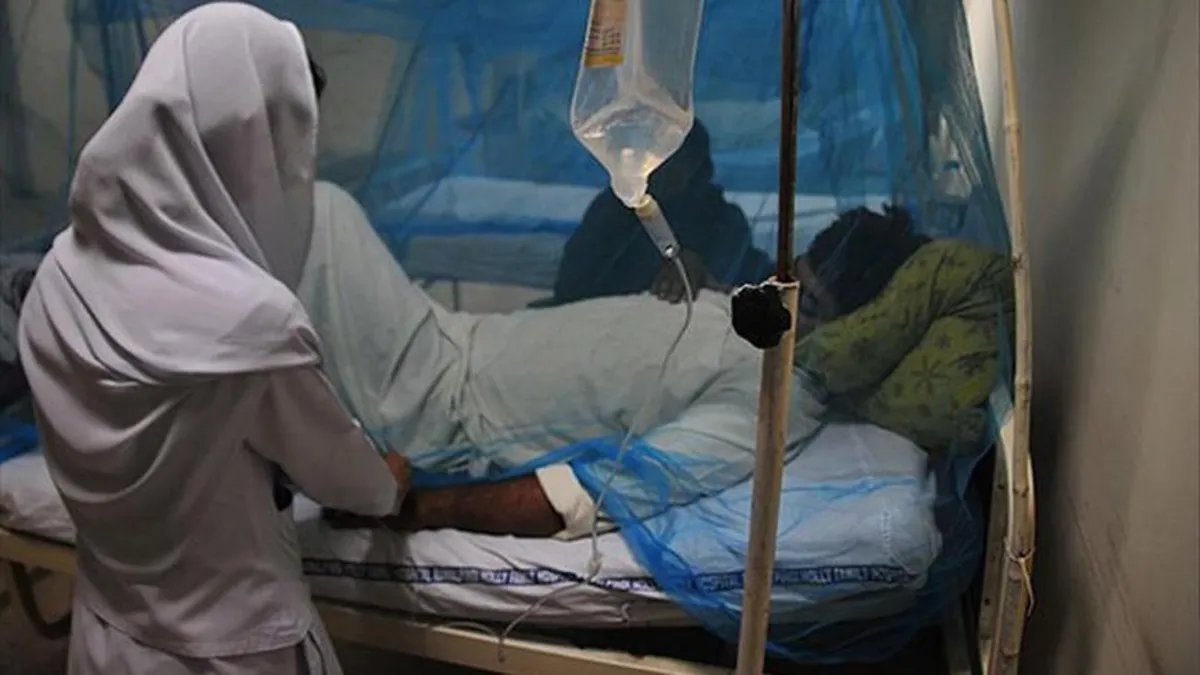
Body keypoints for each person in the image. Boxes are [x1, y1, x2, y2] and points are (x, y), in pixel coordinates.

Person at [18, 5, 410, 673]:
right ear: (244, 149)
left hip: (106, 632)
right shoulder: (253, 324)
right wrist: (390, 482)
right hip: (235, 650)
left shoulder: (56, 276)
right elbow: (348, 481)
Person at [316, 196, 1010, 538]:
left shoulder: (773, 400)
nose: (776, 295)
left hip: (436, 402)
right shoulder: (756, 318)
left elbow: (599, 492)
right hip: (458, 337)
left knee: (321, 209)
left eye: (805, 299)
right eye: (787, 275)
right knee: (318, 210)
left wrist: (414, 509)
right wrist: (708, 288)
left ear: (851, 330)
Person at [547, 120, 773, 306]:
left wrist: (698, 268)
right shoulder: (615, 209)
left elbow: (725, 290)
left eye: (673, 159)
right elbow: (571, 286)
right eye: (652, 157)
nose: (660, 169)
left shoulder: (723, 220)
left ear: (695, 164)